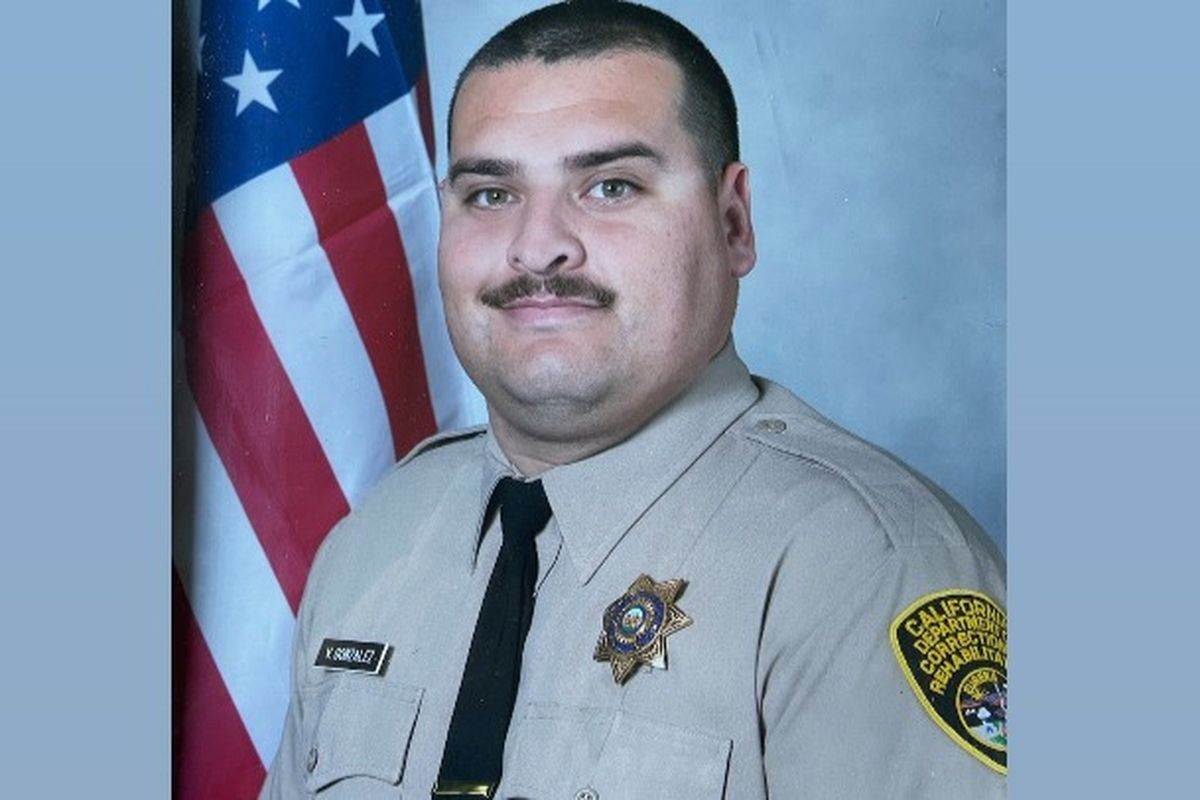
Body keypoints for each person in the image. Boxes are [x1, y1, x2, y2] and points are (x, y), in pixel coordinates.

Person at [261, 2, 1006, 797]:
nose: (538, 247)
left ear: (733, 223)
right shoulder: (375, 540)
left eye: (610, 186)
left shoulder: (862, 569)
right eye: (491, 194)